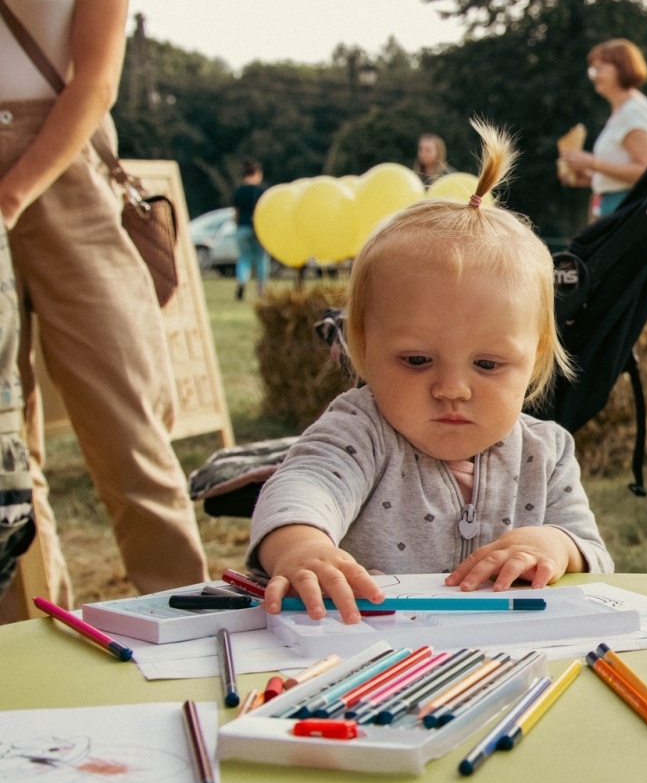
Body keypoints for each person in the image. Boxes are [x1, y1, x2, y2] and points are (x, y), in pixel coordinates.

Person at [248, 122, 613, 623]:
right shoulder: (361, 430)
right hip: (373, 655)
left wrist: (547, 543)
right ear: (362, 346)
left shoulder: (545, 452)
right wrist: (301, 547)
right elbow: (303, 487)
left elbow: (588, 549)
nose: (451, 389)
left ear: (536, 357)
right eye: (417, 360)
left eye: (487, 364)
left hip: (507, 658)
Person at [0, 0, 207, 622]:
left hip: (63, 170)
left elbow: (96, 80)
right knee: (0, 443)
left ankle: (183, 625)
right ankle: (21, 649)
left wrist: (14, 191)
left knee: (123, 423)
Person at [559, 39, 647, 219]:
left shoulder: (633, 112)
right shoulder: (621, 111)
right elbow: (622, 173)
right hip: (614, 209)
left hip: (628, 212)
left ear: (623, 68)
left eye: (600, 69)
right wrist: (590, 177)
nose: (593, 76)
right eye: (592, 70)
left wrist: (592, 162)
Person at [231, 159, 268, 300]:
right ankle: (262, 287)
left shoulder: (239, 191)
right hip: (259, 230)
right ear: (257, 173)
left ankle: (242, 282)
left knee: (244, 258)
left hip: (242, 227)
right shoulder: (262, 191)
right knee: (261, 259)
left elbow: (236, 213)